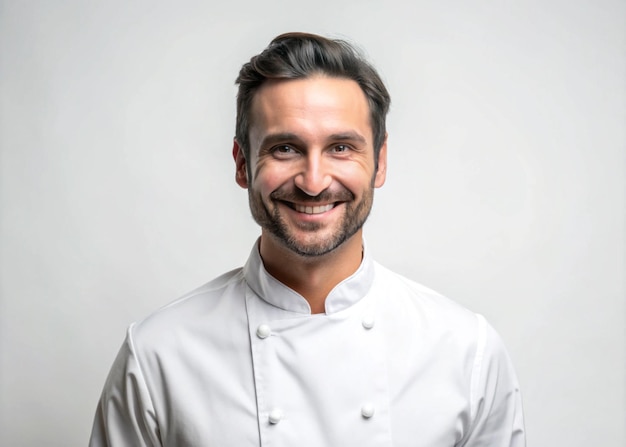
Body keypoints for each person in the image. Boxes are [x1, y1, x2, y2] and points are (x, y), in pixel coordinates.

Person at [89, 32, 525, 446]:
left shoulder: (467, 352)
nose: (314, 182)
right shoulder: (156, 357)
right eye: (285, 148)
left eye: (340, 147)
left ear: (380, 161)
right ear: (242, 164)